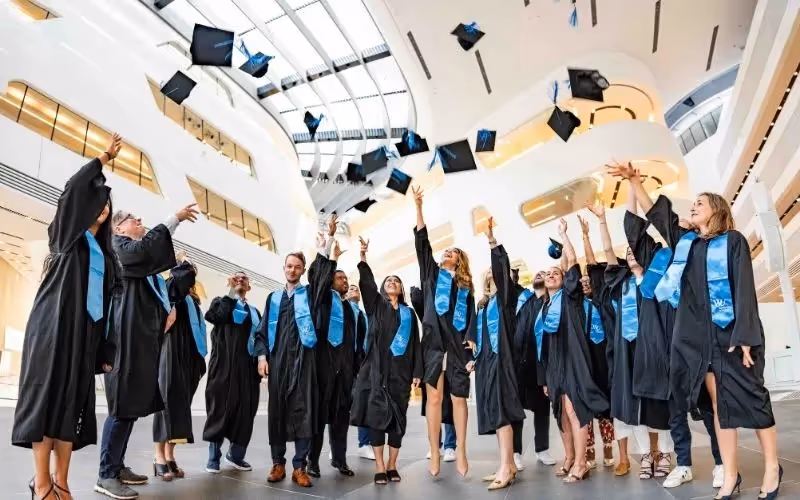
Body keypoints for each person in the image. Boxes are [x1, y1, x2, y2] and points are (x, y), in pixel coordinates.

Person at [611, 163, 781, 500]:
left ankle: (773, 466)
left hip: (732, 337)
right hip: (698, 341)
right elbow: (659, 216)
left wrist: (746, 336)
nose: (693, 208)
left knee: (755, 400)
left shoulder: (732, 241)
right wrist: (634, 181)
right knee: (721, 408)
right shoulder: (688, 244)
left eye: (700, 204)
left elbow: (744, 289)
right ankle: (730, 475)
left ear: (716, 210)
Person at [12, 134, 121, 500]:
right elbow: (72, 190)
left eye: (107, 205)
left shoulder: (106, 258)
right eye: (97, 202)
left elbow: (106, 309)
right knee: (46, 404)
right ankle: (41, 483)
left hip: (84, 338)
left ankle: (62, 482)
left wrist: (105, 350)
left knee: (71, 408)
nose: (102, 209)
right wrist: (102, 159)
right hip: (53, 331)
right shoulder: (66, 237)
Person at [96, 202, 197, 500]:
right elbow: (144, 253)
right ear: (118, 228)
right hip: (122, 344)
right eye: (133, 218)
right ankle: (105, 474)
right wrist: (173, 220)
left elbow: (168, 293)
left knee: (129, 409)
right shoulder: (118, 248)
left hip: (141, 345)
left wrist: (182, 269)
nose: (140, 219)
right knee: (119, 409)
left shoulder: (145, 269)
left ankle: (116, 465)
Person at [585, 190, 673, 480]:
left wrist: (633, 189)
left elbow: (636, 233)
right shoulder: (620, 281)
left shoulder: (653, 278)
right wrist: (601, 221)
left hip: (653, 346)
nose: (630, 253)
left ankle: (662, 452)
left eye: (635, 250)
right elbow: (609, 250)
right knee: (636, 405)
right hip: (627, 350)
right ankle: (647, 453)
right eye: (628, 253)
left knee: (656, 401)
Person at [254, 241, 336, 488]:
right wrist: (261, 357)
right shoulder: (274, 298)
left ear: (302, 271)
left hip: (304, 362)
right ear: (284, 268)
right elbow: (261, 332)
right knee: (277, 413)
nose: (292, 270)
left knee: (304, 412)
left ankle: (299, 466)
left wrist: (325, 247)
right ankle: (278, 463)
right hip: (278, 363)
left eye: (297, 267)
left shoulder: (309, 294)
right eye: (289, 266)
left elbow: (322, 279)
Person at [537, 218, 609, 484]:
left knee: (574, 410)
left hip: (573, 360)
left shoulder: (571, 296)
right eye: (549, 274)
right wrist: (545, 376)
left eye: (557, 272)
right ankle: (574, 459)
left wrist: (564, 235)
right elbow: (544, 343)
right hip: (556, 364)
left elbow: (572, 263)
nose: (553, 275)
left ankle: (582, 463)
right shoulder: (546, 306)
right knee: (563, 413)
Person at [412, 186, 476, 478]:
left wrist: (471, 342)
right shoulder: (430, 275)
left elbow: (472, 316)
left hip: (457, 346)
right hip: (433, 345)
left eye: (453, 252)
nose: (447, 253)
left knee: (459, 398)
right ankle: (435, 451)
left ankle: (461, 450)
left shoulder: (465, 288)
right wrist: (419, 207)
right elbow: (423, 244)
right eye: (446, 251)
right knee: (435, 399)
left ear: (460, 261)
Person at [351, 236, 422, 485]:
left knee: (398, 421)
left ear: (402, 289)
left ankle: (393, 464)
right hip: (376, 372)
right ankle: (380, 466)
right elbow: (367, 284)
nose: (392, 282)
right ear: (383, 288)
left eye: (397, 281)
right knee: (376, 420)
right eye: (388, 280)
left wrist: (417, 371)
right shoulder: (376, 306)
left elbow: (414, 344)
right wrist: (362, 256)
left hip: (401, 374)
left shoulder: (409, 313)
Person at [469, 218, 526, 491]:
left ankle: (506, 466)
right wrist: (475, 359)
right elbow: (477, 340)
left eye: (495, 274)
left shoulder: (504, 302)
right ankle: (508, 464)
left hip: (503, 363)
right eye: (488, 275)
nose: (492, 277)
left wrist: (492, 241)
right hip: (487, 365)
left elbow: (502, 270)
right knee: (495, 412)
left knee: (503, 413)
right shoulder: (482, 307)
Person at [308, 218, 357, 478]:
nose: (344, 280)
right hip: (322, 367)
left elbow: (352, 341)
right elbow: (317, 275)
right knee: (318, 418)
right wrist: (328, 246)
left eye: (346, 278)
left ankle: (340, 459)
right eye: (339, 277)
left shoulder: (349, 307)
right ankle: (312, 461)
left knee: (340, 418)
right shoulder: (322, 298)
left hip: (343, 370)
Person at [152, 254, 207, 481]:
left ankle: (170, 455)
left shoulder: (193, 299)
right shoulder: (169, 288)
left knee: (180, 405)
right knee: (165, 401)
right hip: (170, 350)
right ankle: (158, 457)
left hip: (189, 355)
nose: (189, 272)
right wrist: (182, 261)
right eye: (186, 269)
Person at [202, 272, 261, 473]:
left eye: (244, 278)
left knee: (245, 412)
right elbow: (214, 317)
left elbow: (260, 338)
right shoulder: (221, 302)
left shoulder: (255, 312)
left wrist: (262, 360)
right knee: (219, 409)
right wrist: (230, 293)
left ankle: (236, 456)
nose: (240, 280)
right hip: (224, 367)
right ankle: (213, 457)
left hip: (248, 370)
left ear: (249, 287)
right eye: (236, 277)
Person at [575, 214, 616, 470]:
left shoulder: (602, 300)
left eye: (590, 281)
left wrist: (587, 236)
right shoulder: (577, 308)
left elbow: (591, 264)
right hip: (586, 358)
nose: (587, 283)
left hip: (605, 356)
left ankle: (609, 447)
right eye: (583, 282)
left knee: (607, 402)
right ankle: (589, 450)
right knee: (588, 403)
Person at [511, 271, 554, 470]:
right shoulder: (523, 298)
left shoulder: (550, 302)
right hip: (517, 364)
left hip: (539, 364)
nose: (540, 274)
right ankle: (515, 452)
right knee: (515, 411)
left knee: (542, 409)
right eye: (538, 273)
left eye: (544, 273)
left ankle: (542, 449)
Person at [411, 286, 457, 464]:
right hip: (431, 356)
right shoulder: (430, 301)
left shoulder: (452, 300)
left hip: (451, 354)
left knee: (450, 402)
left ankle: (450, 446)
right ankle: (434, 445)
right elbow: (418, 303)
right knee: (433, 403)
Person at [348, 284, 375, 461]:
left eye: (357, 288)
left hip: (362, 364)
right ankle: (337, 447)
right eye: (350, 288)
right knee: (339, 406)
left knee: (364, 403)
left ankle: (364, 444)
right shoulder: (340, 311)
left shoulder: (365, 316)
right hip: (342, 362)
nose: (354, 290)